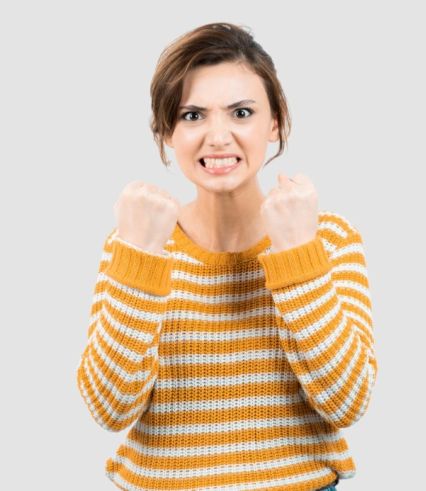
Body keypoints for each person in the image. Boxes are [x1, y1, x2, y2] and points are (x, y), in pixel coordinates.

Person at [75, 22, 376, 491]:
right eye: (192, 116)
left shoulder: (328, 238)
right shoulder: (136, 241)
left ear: (274, 122)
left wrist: (297, 255)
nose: (217, 136)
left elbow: (348, 402)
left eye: (241, 112)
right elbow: (109, 409)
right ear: (167, 132)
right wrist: (139, 257)